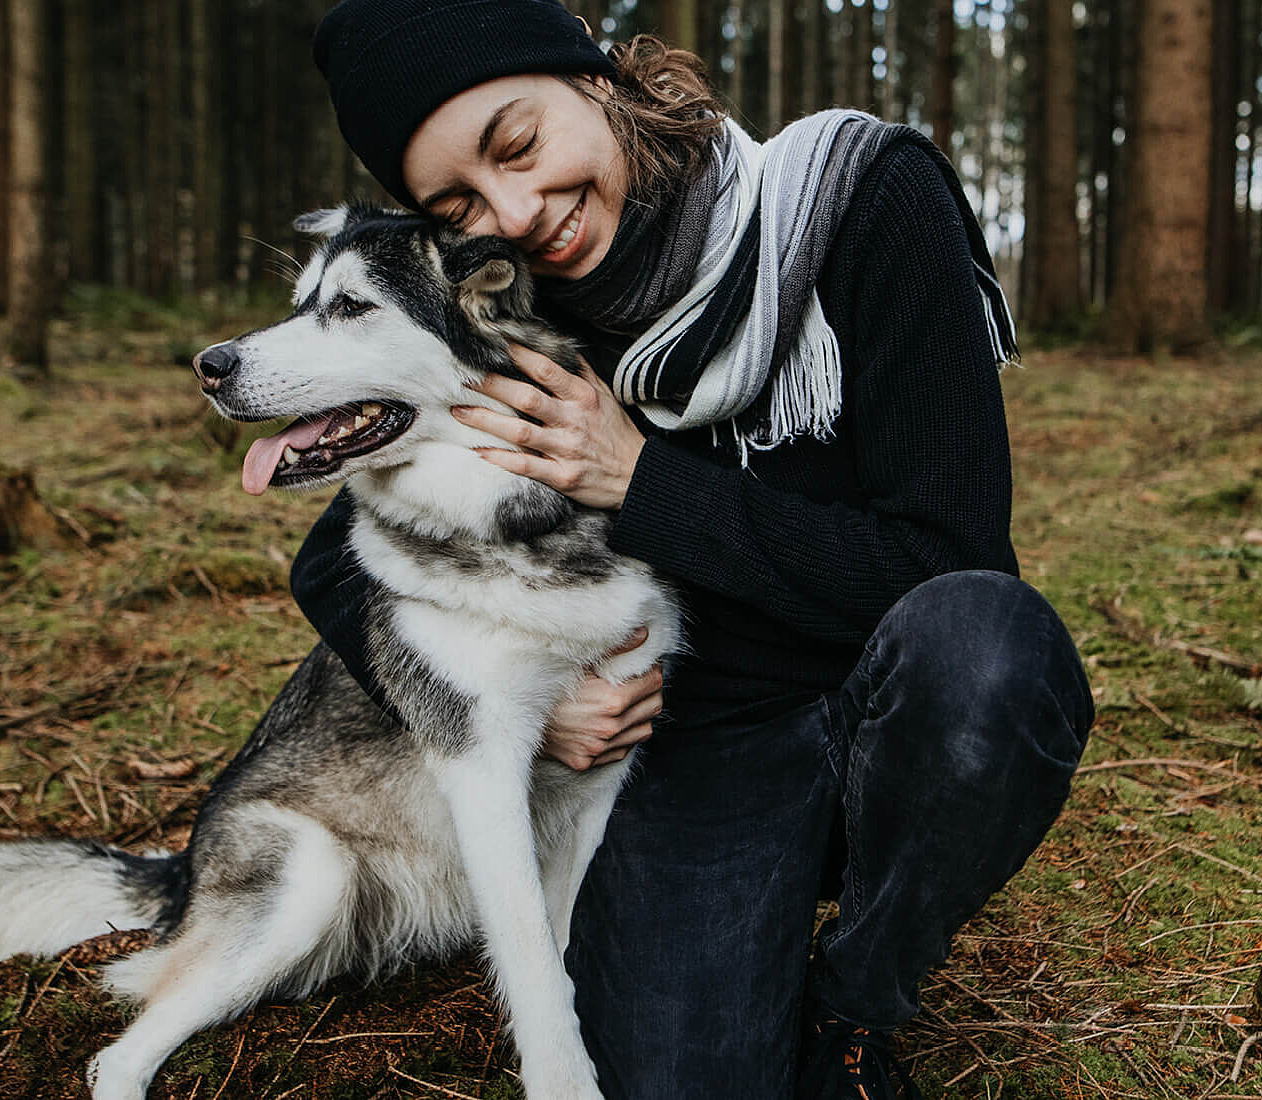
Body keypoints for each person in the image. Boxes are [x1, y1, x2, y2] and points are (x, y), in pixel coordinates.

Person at [298, 2, 1093, 1096]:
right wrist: (538, 712)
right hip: (696, 749)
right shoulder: (517, 315)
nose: (519, 212)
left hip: (891, 702)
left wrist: (642, 483)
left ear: (593, 76)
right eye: (461, 205)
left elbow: (947, 556)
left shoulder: (862, 200)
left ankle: (857, 1002)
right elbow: (331, 558)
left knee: (991, 651)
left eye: (519, 145)